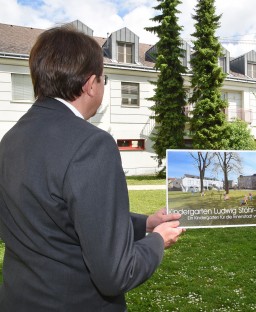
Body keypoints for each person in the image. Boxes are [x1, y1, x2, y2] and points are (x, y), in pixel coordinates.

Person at [0, 26, 185, 312]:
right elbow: (117, 272)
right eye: (103, 78)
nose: (102, 85)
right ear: (90, 84)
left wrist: (145, 223)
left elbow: (60, 220)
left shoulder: (10, 140)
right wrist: (158, 240)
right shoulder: (91, 144)